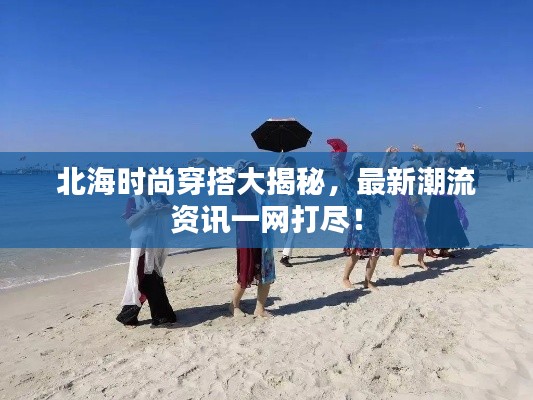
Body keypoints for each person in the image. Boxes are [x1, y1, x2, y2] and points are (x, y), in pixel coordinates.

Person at [189, 157, 276, 318]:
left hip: (264, 236)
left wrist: (281, 161)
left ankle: (260, 308)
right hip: (247, 237)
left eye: (252, 169)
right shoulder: (238, 189)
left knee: (266, 273)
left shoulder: (258, 185)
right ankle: (234, 305)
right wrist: (206, 162)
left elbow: (273, 177)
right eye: (247, 170)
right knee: (245, 272)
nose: (251, 172)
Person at [116, 183, 177, 328]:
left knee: (152, 278)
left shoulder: (159, 196)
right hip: (142, 245)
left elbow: (171, 209)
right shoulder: (133, 199)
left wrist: (162, 208)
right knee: (141, 279)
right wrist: (145, 211)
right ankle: (157, 316)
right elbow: (130, 222)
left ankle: (158, 316)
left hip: (157, 244)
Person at [332, 151, 382, 291]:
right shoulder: (349, 185)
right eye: (359, 169)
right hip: (359, 224)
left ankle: (367, 281)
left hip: (371, 224)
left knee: (375, 253)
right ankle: (345, 278)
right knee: (355, 254)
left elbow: (381, 171)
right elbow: (340, 175)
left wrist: (387, 155)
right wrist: (336, 163)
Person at [416, 142, 470, 258]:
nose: (446, 163)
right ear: (437, 162)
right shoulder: (433, 172)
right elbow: (425, 168)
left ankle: (444, 250)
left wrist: (463, 153)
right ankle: (429, 249)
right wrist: (423, 153)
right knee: (434, 224)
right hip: (437, 202)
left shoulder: (450, 171)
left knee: (449, 224)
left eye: (447, 161)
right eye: (443, 161)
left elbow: (462, 163)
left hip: (449, 202)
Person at [390, 158, 429, 270]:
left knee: (422, 237)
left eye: (413, 170)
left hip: (416, 213)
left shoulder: (416, 184)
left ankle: (420, 261)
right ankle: (395, 263)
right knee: (401, 239)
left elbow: (419, 198)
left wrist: (424, 209)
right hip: (403, 214)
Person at [277, 156, 301, 268]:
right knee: (287, 232)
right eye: (289, 164)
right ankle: (286, 253)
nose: (292, 167)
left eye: (292, 165)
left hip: (291, 206)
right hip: (286, 206)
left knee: (290, 232)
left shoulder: (294, 175)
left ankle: (286, 254)